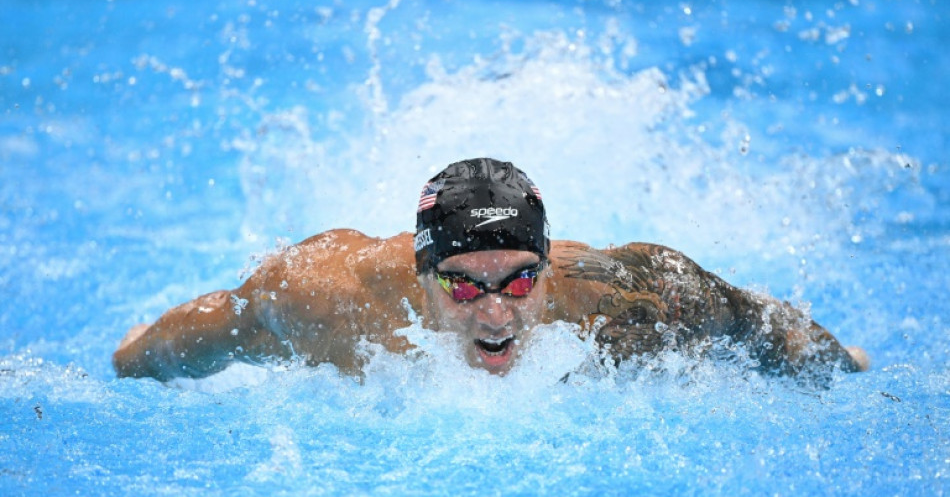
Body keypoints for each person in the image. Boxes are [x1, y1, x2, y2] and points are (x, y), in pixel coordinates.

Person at [113, 157, 869, 382]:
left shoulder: (615, 295)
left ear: (546, 265)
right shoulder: (328, 298)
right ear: (421, 274)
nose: (497, 312)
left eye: (518, 280)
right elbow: (225, 322)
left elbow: (743, 313)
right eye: (464, 284)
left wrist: (840, 360)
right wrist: (139, 352)